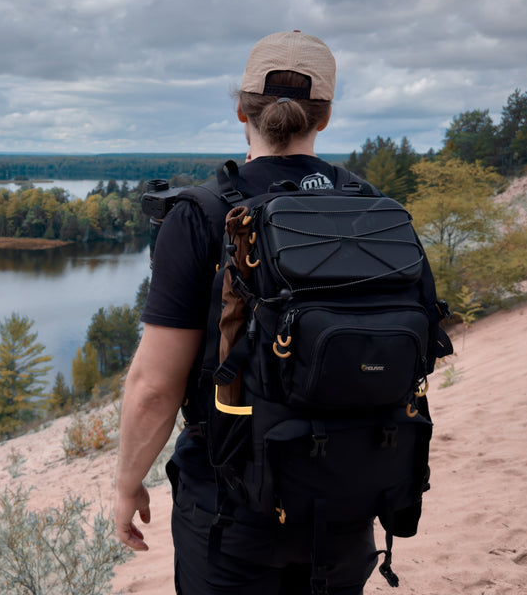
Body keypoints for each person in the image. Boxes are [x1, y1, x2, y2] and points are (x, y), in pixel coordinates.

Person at [113, 31, 379, 594]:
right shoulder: (372, 209)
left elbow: (155, 387)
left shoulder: (202, 214)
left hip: (231, 508)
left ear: (241, 110)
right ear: (325, 117)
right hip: (348, 498)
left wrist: (126, 482)